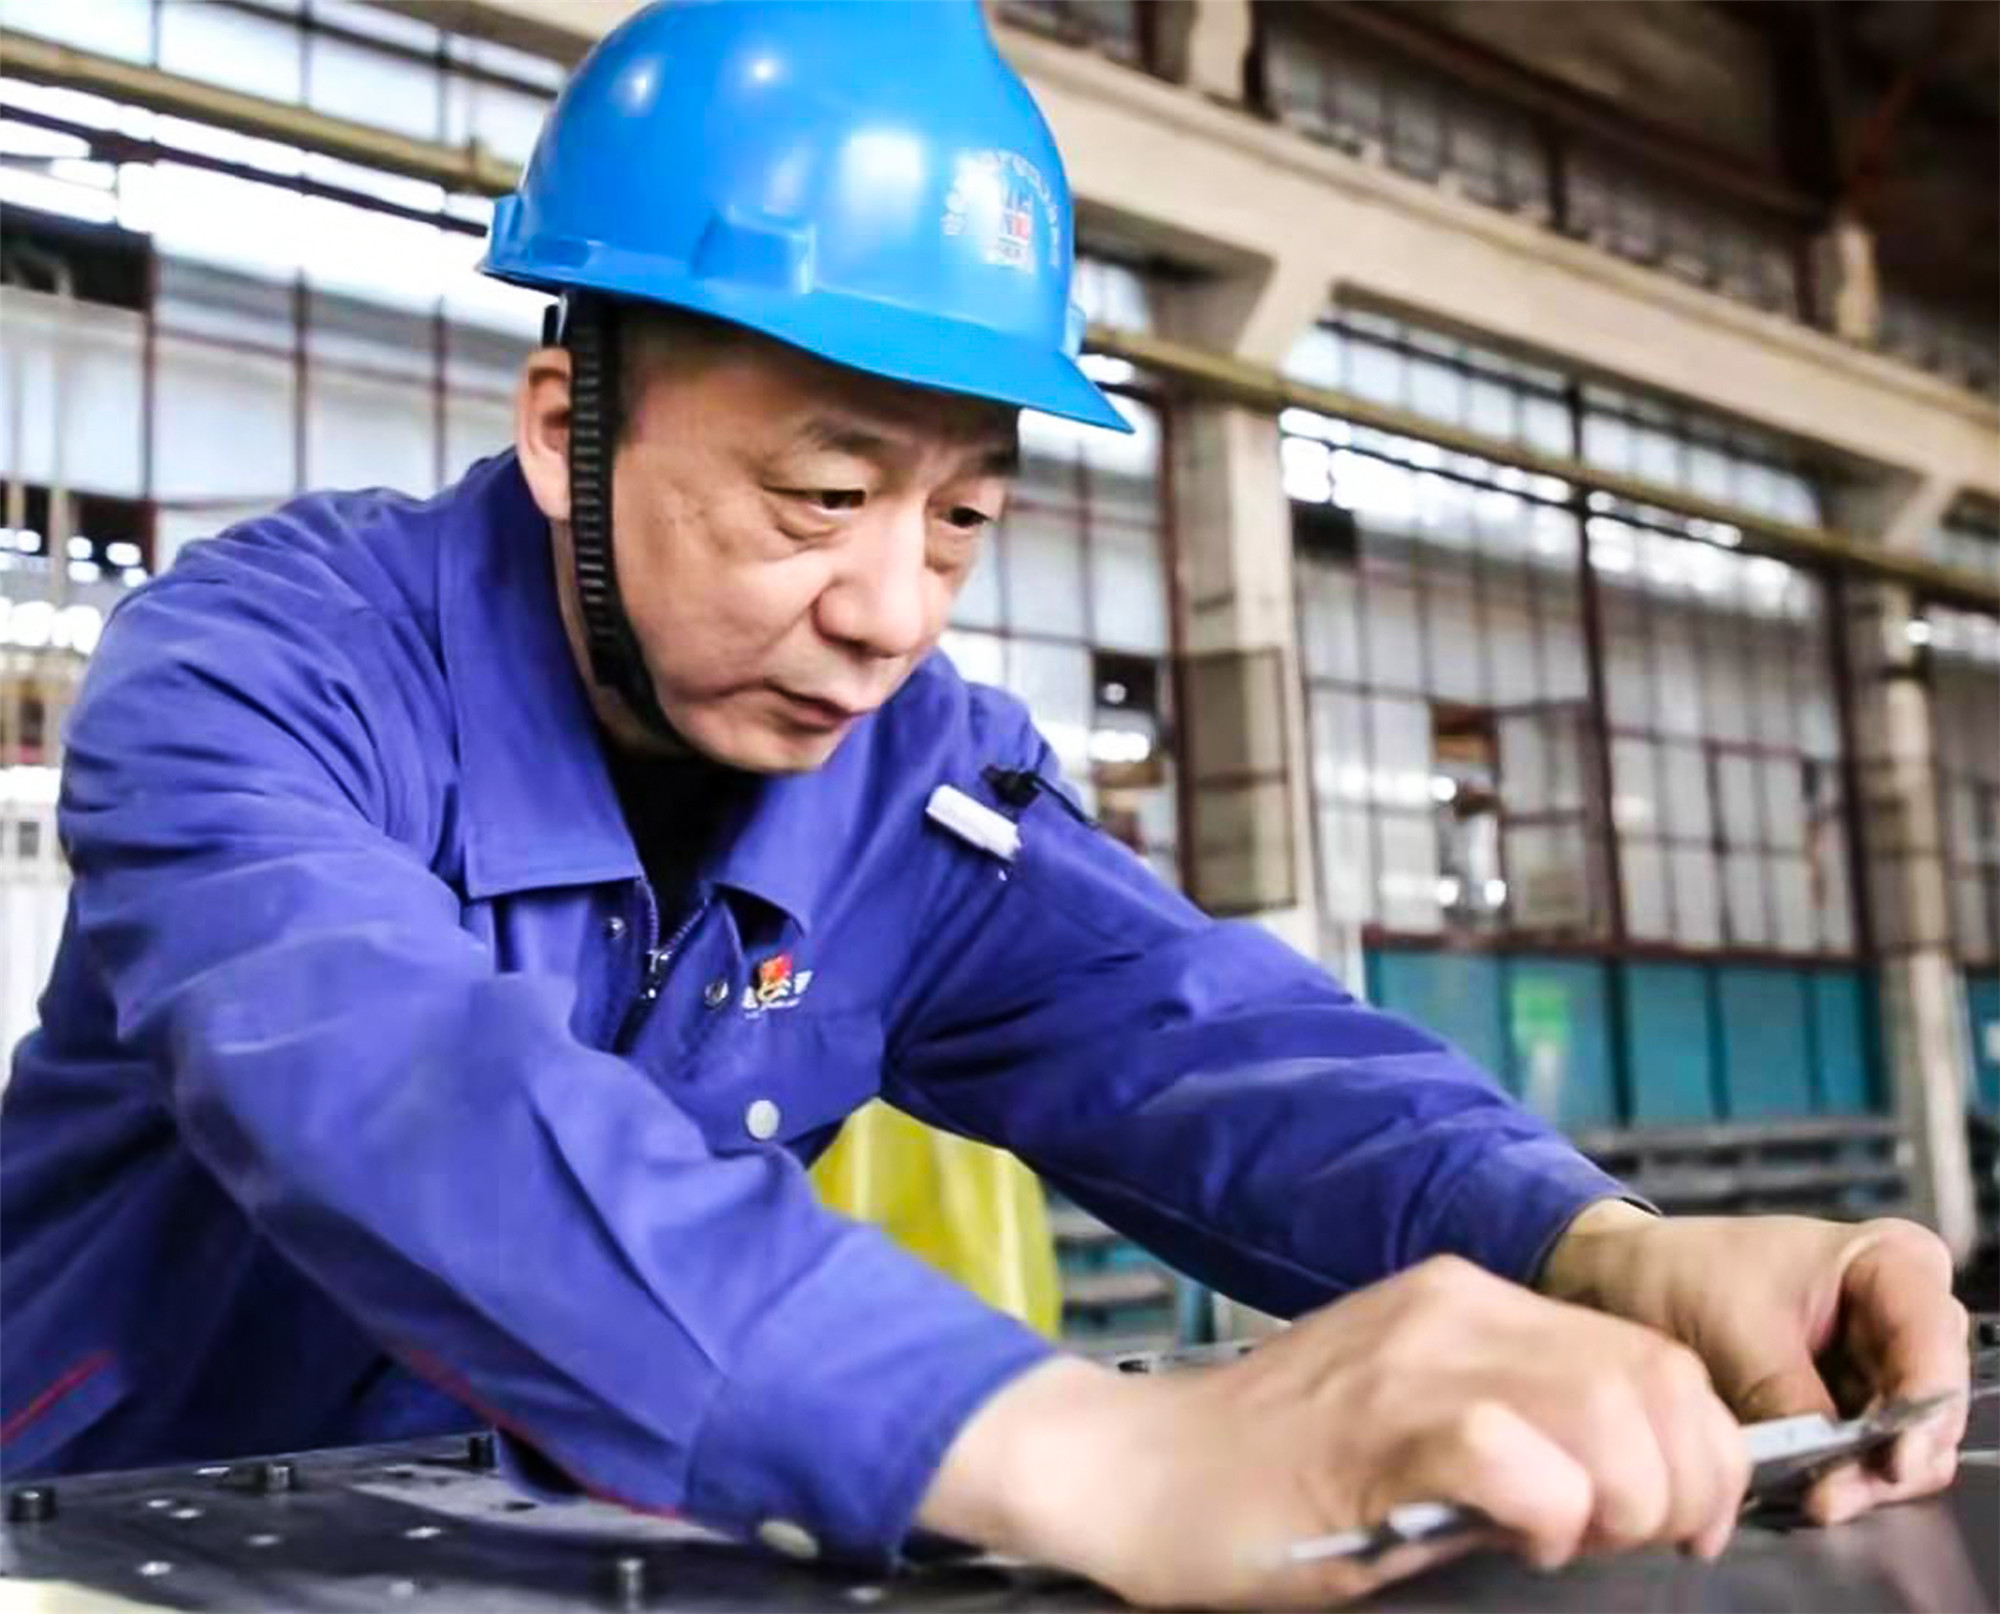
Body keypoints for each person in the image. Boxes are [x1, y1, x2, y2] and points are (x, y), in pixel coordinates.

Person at [0, 3, 1968, 1607]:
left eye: (960, 520)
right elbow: (394, 1083)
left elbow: (1216, 1049)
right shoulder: (264, 671)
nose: (891, 611)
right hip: (90, 1549)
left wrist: (1607, 1250)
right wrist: (1087, 1448)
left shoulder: (916, 789)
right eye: (823, 495)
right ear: (563, 427)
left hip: (540, 1557)